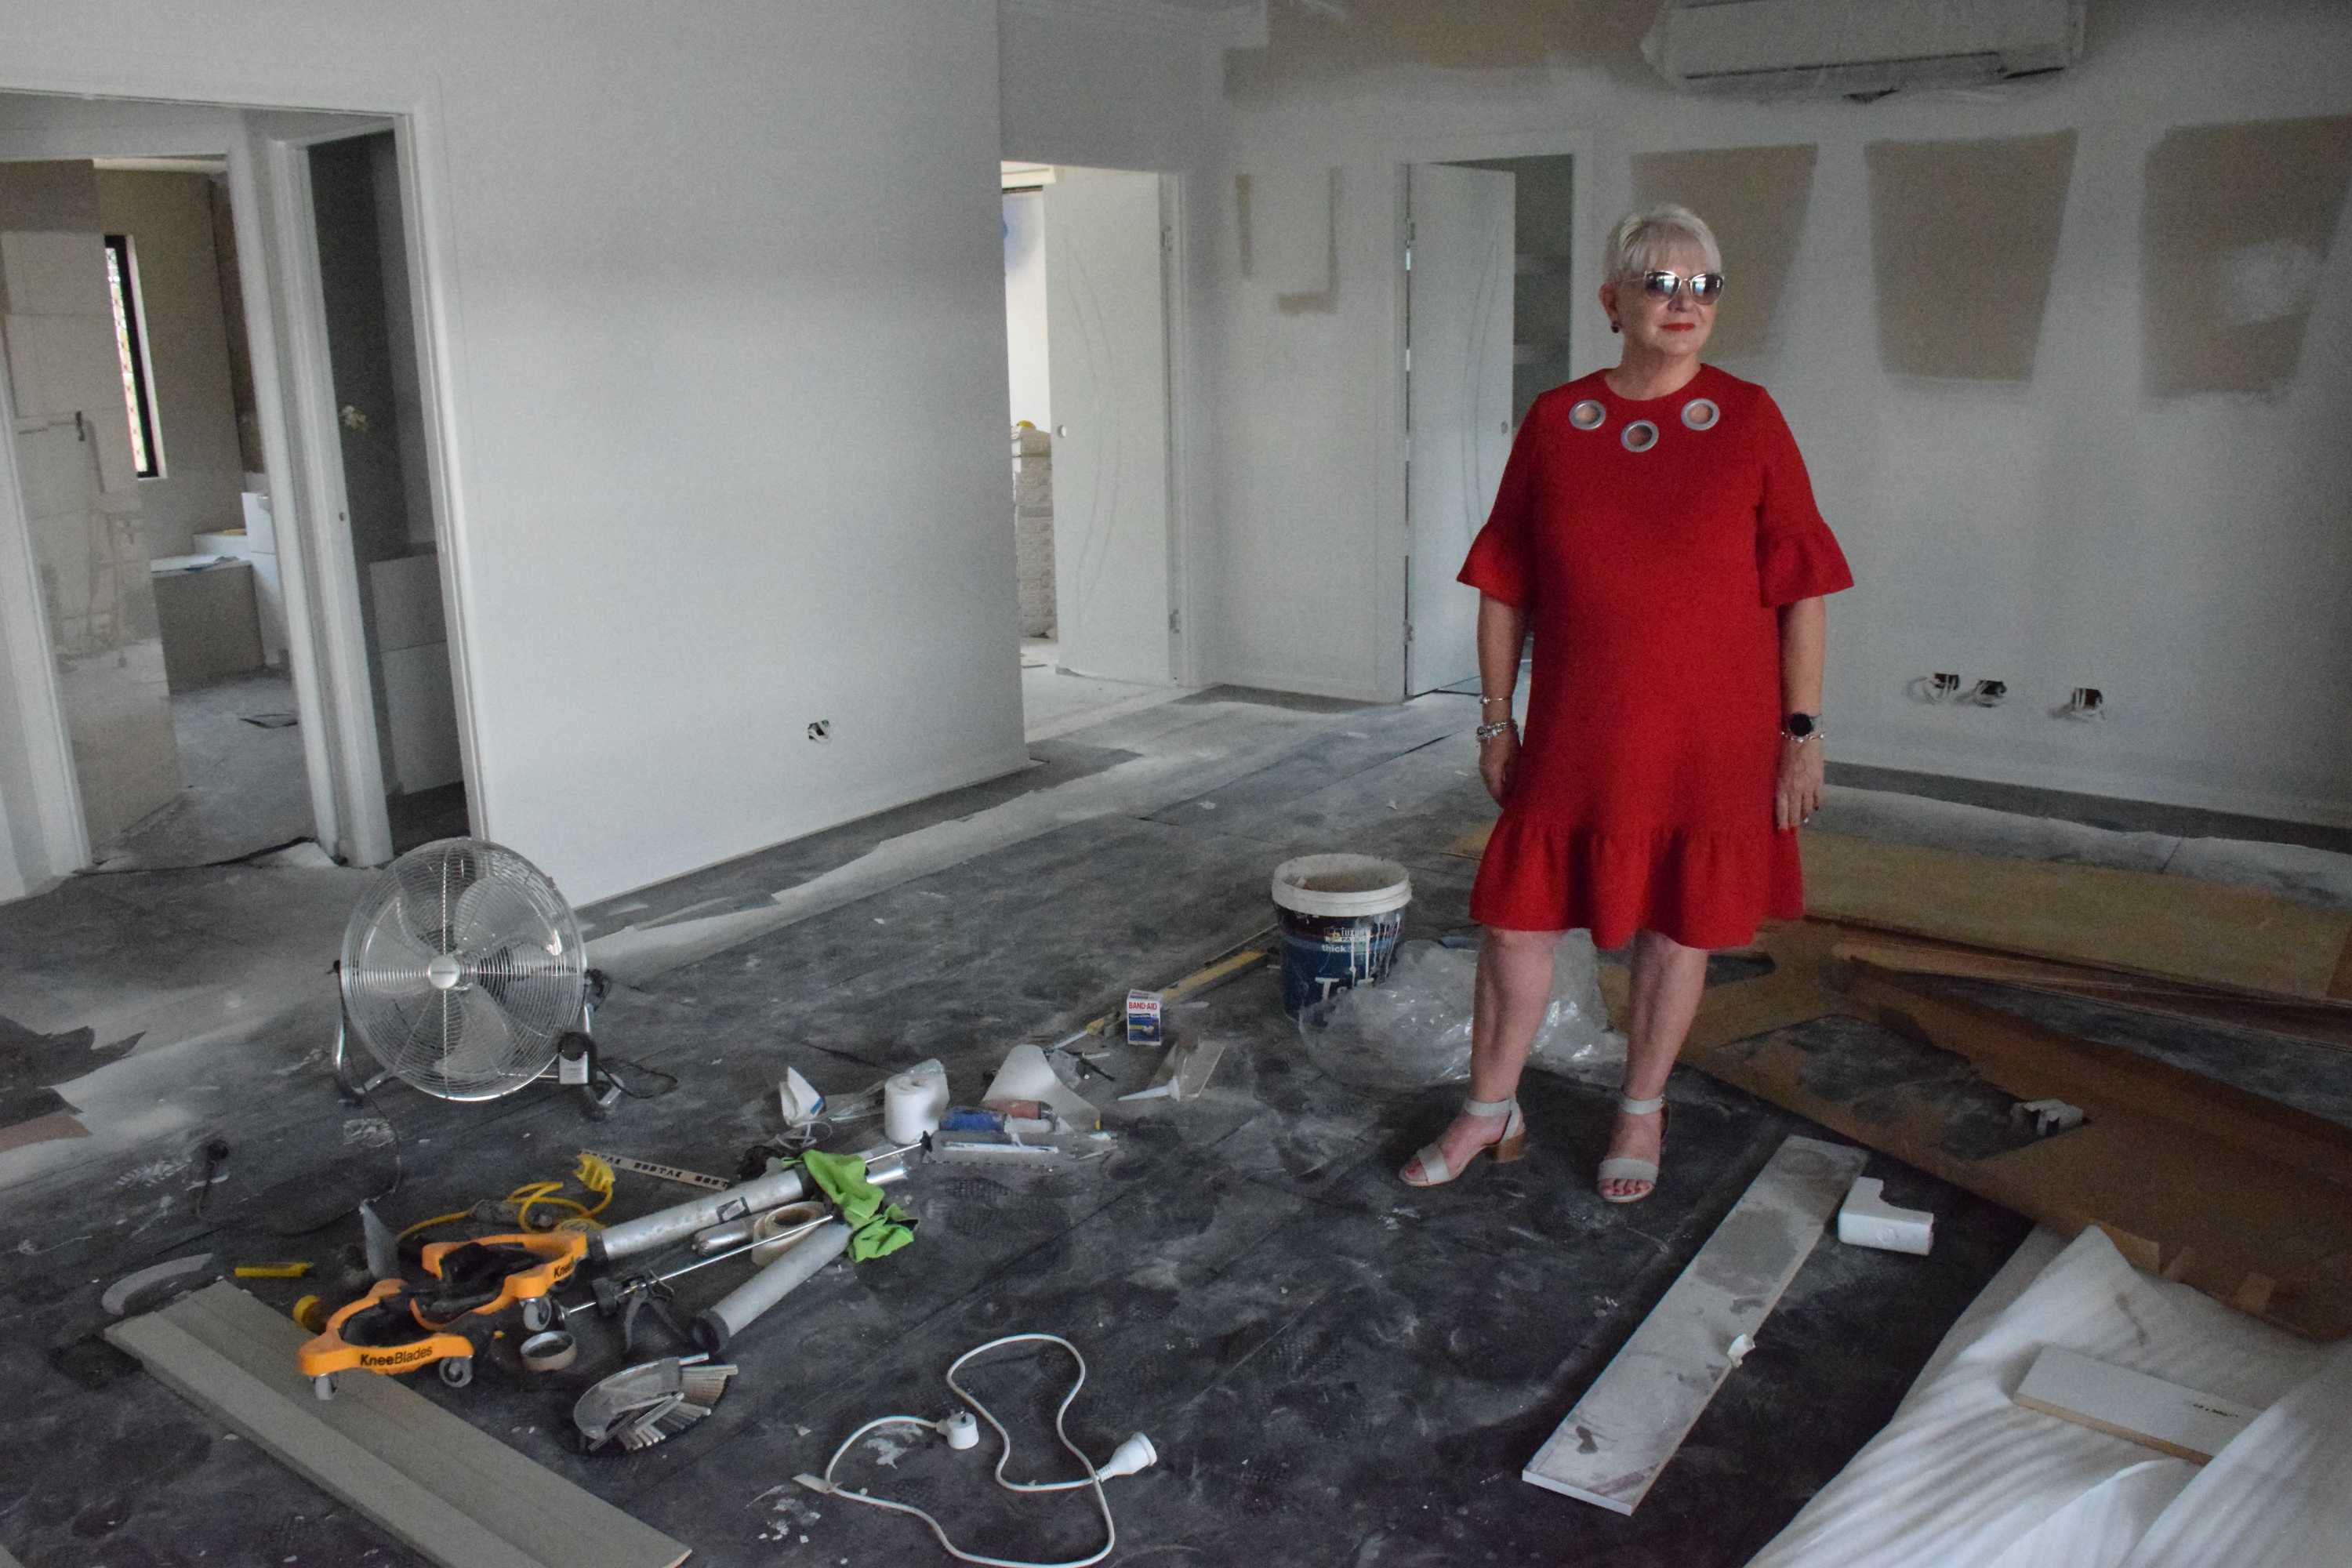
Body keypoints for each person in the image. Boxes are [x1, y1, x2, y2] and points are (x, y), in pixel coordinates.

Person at [1400, 204, 1853, 1202]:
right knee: (1516, 923)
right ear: (1613, 302)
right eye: (1661, 283)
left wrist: (1803, 732)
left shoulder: (1748, 418)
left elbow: (1801, 587)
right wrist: (1493, 715)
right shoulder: (1560, 422)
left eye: (1705, 286)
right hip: (1578, 727)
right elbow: (1503, 583)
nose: (1685, 303)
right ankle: (1490, 1106)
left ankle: (1641, 1107)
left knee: (1675, 927)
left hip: (1712, 735)